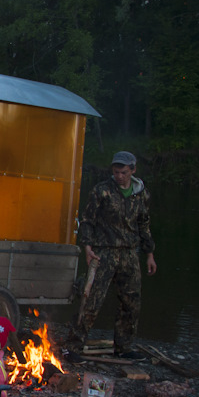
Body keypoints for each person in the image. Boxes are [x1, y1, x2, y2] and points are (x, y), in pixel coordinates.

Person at [66, 151, 157, 364]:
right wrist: (87, 247)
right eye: (116, 172)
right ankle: (73, 346)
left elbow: (144, 223)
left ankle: (124, 347)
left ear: (133, 170)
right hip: (103, 252)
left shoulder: (141, 194)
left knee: (131, 302)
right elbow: (87, 220)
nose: (119, 176)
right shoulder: (102, 191)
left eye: (124, 172)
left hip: (129, 253)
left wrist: (150, 254)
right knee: (91, 299)